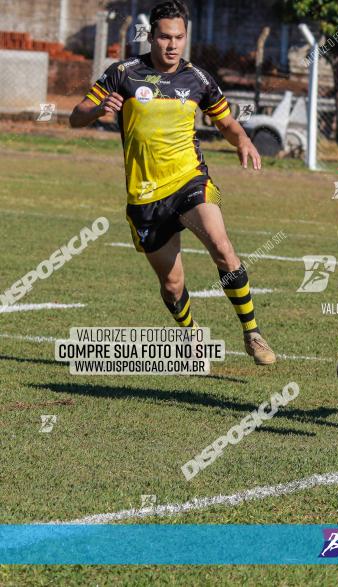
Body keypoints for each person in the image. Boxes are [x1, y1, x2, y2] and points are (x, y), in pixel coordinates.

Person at [69, 0, 276, 365]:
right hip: (146, 196)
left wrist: (242, 139)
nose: (172, 45)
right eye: (165, 37)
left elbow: (225, 122)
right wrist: (98, 112)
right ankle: (191, 331)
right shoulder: (123, 73)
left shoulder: (197, 78)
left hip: (189, 181)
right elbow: (75, 117)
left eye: (179, 37)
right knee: (172, 284)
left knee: (222, 246)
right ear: (151, 36)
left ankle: (253, 332)